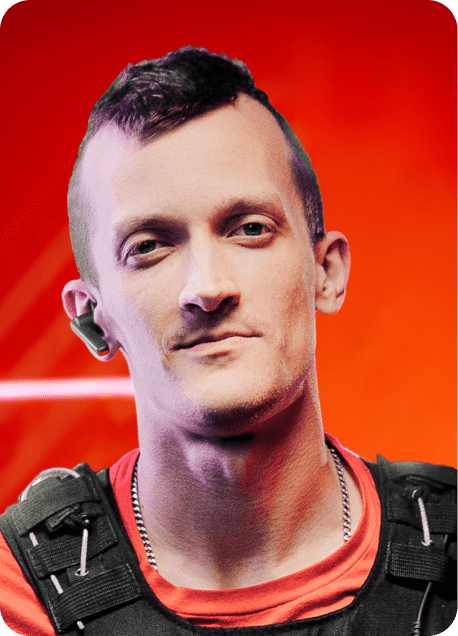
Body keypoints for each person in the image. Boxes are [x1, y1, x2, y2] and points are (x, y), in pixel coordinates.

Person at [0, 46, 456, 636]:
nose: (208, 288)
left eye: (250, 229)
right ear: (91, 318)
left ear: (327, 272)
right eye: (149, 246)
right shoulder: (17, 593)